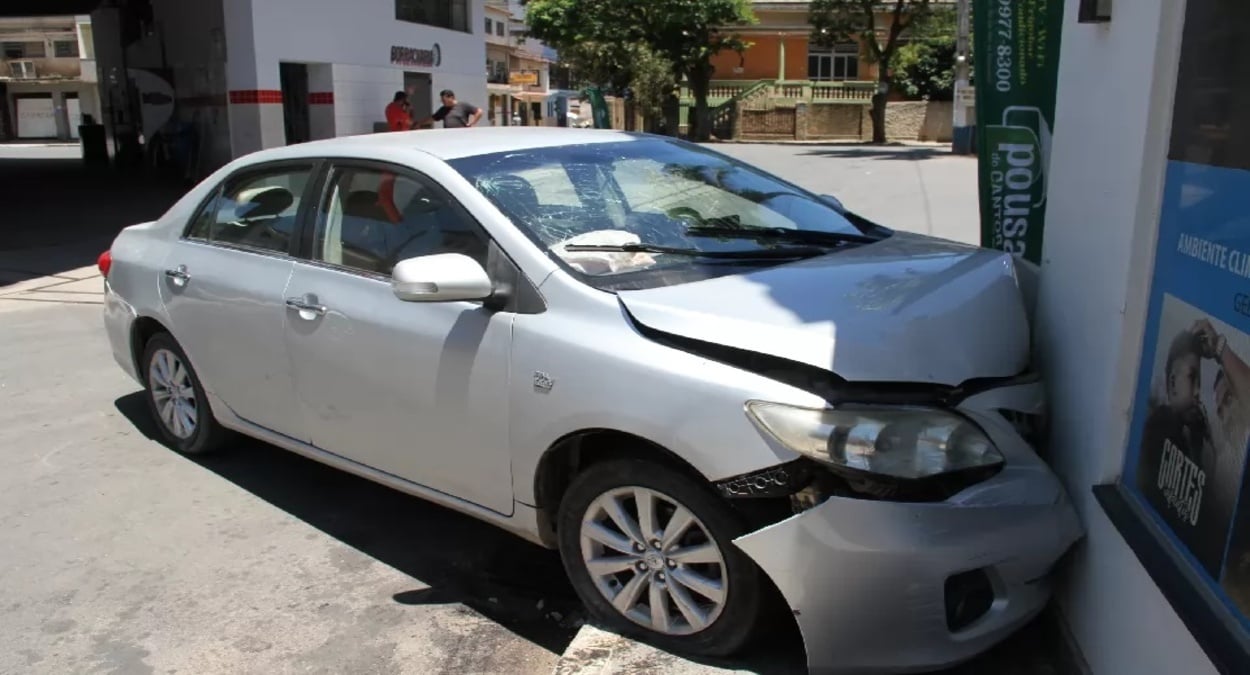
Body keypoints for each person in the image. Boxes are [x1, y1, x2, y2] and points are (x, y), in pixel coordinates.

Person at [415, 89, 482, 129]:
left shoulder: (463, 105)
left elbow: (479, 111)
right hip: (448, 136)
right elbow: (432, 118)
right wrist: (420, 123)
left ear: (452, 98)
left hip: (462, 135)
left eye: (444, 100)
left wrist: (472, 123)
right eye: (442, 100)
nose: (442, 102)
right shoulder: (443, 109)